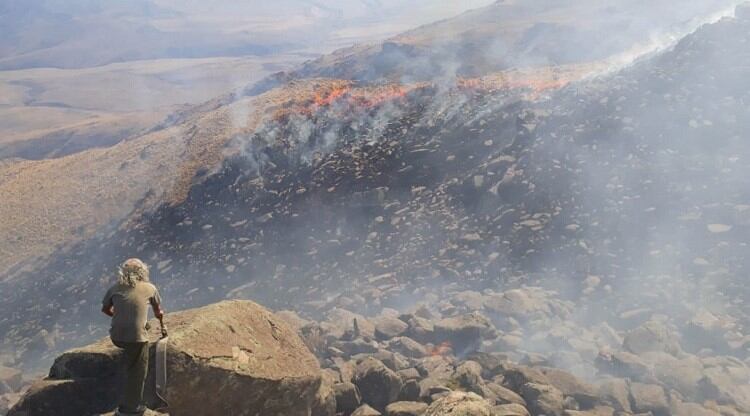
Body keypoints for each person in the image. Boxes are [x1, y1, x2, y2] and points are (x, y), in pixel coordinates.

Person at [102, 258, 164, 416]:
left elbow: (105, 309)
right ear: (143, 272)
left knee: (131, 353)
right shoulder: (150, 288)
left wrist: (120, 316)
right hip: (136, 338)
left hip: (116, 336)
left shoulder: (114, 288)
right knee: (137, 371)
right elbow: (158, 312)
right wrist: (161, 323)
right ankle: (131, 408)